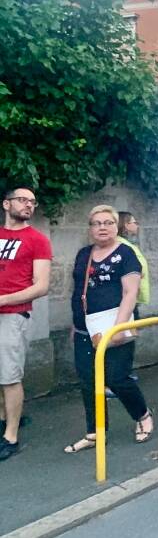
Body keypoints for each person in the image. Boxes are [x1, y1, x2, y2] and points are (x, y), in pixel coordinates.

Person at [65, 205, 153, 454]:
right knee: (89, 382)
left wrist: (119, 328)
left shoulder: (126, 254)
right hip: (86, 330)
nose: (102, 227)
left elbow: (130, 292)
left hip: (116, 326)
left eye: (108, 222)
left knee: (117, 378)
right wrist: (75, 324)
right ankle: (95, 432)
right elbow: (79, 292)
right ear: (90, 228)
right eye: (96, 223)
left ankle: (142, 414)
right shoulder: (83, 254)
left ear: (117, 226)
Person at [0, 187, 52, 461]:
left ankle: (11, 436)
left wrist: (3, 300)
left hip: (13, 315)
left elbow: (41, 286)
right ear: (6, 204)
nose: (29, 205)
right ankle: (3, 420)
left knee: (9, 376)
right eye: (23, 200)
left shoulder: (37, 240)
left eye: (32, 201)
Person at [117, 212, 150, 312]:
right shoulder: (122, 245)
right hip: (126, 296)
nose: (137, 225)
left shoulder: (125, 243)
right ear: (126, 225)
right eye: (135, 222)